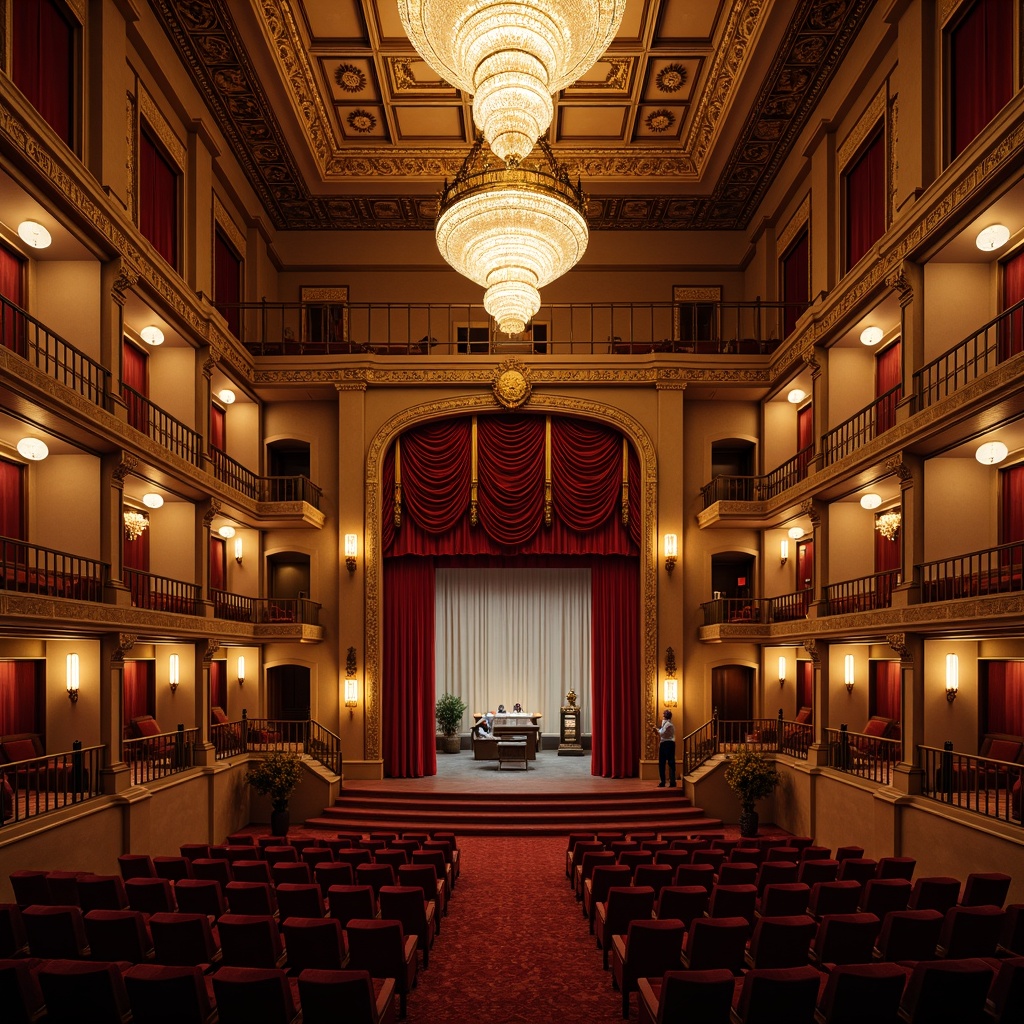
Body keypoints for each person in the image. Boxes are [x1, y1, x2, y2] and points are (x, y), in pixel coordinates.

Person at [653, 710, 676, 787]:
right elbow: (661, 731)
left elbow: (662, 732)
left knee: (671, 762)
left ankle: (672, 781)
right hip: (664, 743)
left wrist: (657, 731)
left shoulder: (668, 724)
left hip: (668, 743)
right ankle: (663, 781)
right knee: (662, 763)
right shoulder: (666, 724)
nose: (663, 717)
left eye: (664, 716)